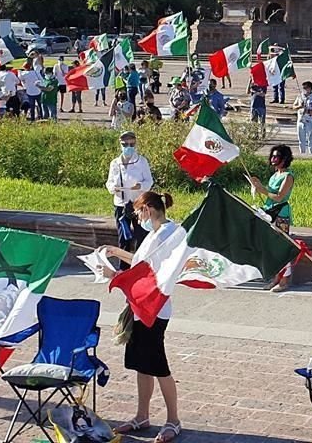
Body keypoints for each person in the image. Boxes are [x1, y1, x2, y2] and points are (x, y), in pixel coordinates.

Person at [109, 192, 183, 443]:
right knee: (142, 363)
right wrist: (113, 252)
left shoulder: (168, 233)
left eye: (139, 212)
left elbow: (147, 269)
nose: (137, 218)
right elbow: (139, 261)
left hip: (155, 306)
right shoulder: (154, 233)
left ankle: (173, 419)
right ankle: (142, 415)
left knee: (157, 363)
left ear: (148, 209)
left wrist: (112, 273)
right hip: (141, 304)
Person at [247, 145, 295, 292]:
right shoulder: (275, 175)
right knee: (270, 246)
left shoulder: (288, 176)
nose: (273, 159)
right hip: (269, 211)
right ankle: (276, 277)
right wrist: (258, 186)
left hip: (281, 213)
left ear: (284, 159)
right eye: (272, 156)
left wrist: (263, 190)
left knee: (281, 246)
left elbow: (280, 197)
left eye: (277, 157)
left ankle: (285, 279)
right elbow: (269, 194)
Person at [105, 131, 154, 269]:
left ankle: (140, 265)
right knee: (124, 237)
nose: (128, 147)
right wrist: (113, 188)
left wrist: (141, 186)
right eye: (125, 144)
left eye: (131, 144)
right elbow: (109, 183)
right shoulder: (115, 163)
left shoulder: (142, 161)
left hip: (138, 204)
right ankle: (124, 268)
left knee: (141, 235)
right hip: (121, 203)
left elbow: (149, 181)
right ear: (120, 145)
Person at [293, 81, 312, 155]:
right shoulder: (300, 96)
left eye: (306, 88)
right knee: (301, 139)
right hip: (301, 120)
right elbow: (294, 106)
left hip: (310, 120)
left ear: (310, 88)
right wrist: (299, 106)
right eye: (303, 88)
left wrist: (310, 111)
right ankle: (302, 154)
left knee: (311, 138)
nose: (304, 89)